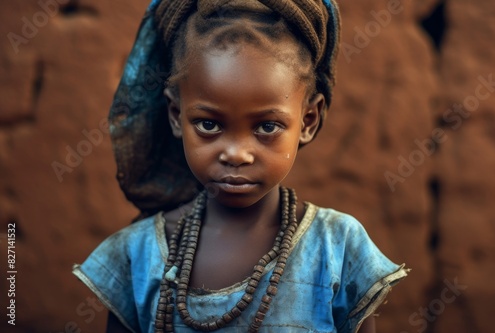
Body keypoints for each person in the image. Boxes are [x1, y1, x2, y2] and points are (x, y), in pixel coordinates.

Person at [72, 0, 409, 332]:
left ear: (308, 120)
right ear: (176, 115)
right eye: (208, 124)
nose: (236, 153)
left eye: (266, 126)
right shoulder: (137, 257)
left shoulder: (337, 250)